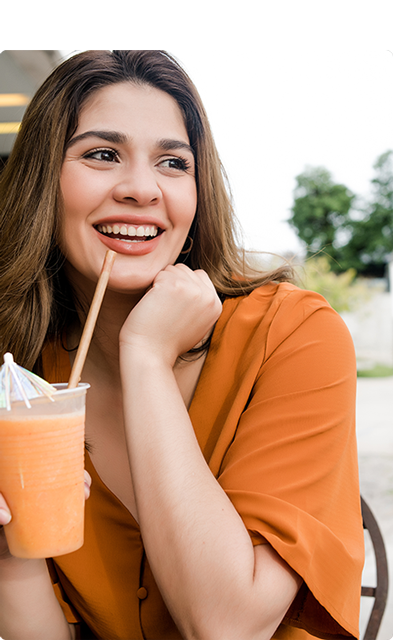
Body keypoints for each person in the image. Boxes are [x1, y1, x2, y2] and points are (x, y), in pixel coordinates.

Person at [0, 50, 364, 640]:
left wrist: (144, 355)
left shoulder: (294, 334)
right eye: (101, 154)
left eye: (173, 162)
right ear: (43, 179)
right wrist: (11, 554)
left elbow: (227, 626)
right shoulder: (19, 377)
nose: (142, 189)